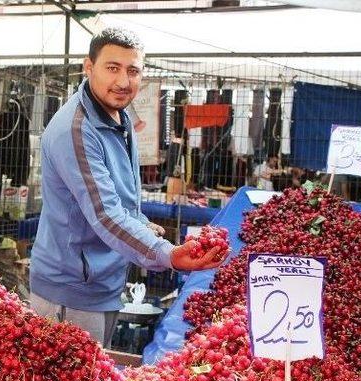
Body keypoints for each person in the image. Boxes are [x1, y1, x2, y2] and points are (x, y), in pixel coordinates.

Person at [29, 27, 228, 348]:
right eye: (112, 68)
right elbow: (105, 215)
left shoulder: (118, 118)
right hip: (72, 290)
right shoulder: (76, 130)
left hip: (103, 280)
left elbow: (117, 198)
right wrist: (169, 255)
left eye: (133, 71)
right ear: (88, 67)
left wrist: (140, 224)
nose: (123, 81)